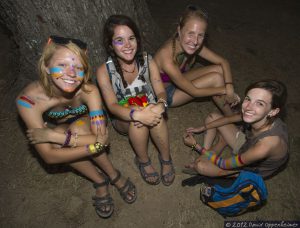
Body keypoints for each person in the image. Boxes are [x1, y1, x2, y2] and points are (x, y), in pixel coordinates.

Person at [16, 35, 137, 218]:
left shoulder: (89, 91)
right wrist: (88, 144)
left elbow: (102, 140)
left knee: (69, 132)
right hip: (68, 131)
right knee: (58, 139)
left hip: (85, 124)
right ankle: (99, 181)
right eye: (63, 65)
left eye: (78, 67)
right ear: (46, 66)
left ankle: (113, 175)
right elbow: (49, 156)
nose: (72, 73)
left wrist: (56, 137)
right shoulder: (28, 101)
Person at [97, 15, 175, 186]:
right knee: (138, 121)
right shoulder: (104, 71)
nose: (127, 45)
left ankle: (166, 158)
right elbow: (111, 106)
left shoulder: (148, 60)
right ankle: (143, 160)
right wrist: (136, 114)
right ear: (110, 45)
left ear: (137, 40)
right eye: (119, 40)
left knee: (156, 115)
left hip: (150, 107)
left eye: (131, 38)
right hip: (124, 119)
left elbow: (160, 89)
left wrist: (161, 104)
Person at [183, 79, 288, 179]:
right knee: (212, 118)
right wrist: (202, 128)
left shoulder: (265, 145)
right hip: (246, 143)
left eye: (260, 103)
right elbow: (228, 119)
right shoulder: (261, 117)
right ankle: (219, 144)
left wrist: (195, 145)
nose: (248, 107)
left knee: (201, 166)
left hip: (250, 170)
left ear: (273, 111)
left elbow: (223, 164)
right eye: (248, 99)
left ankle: (213, 151)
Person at [154, 5, 240, 115]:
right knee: (216, 79)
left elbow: (223, 62)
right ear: (179, 30)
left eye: (200, 35)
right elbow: (194, 91)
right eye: (191, 33)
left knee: (220, 69)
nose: (195, 41)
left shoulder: (188, 44)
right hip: (165, 93)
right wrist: (225, 90)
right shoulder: (166, 58)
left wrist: (229, 86)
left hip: (178, 81)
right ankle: (231, 117)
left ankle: (230, 107)